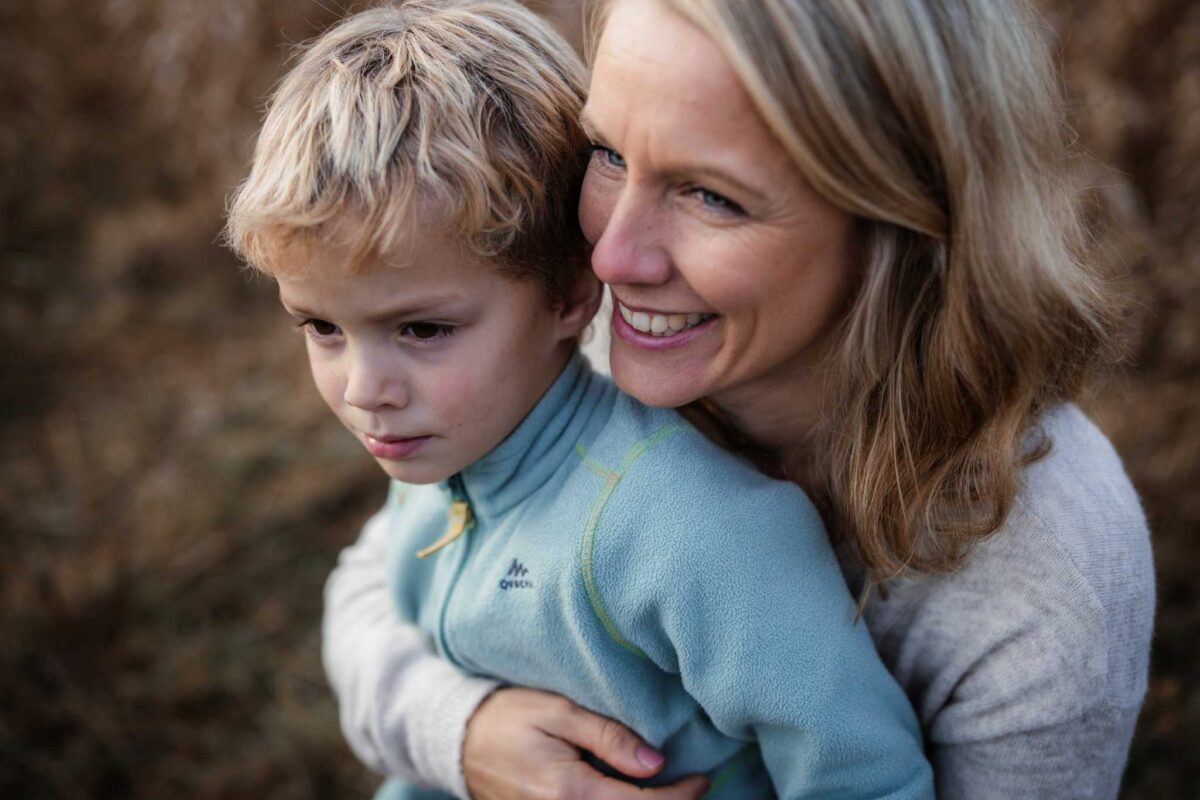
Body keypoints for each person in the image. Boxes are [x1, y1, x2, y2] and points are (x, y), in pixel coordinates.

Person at [320, 0, 1157, 798]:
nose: (610, 257)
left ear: (905, 217)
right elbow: (388, 568)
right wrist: (462, 734)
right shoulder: (611, 329)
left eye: (711, 195)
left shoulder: (1048, 588)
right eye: (608, 153)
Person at [225, 1, 935, 798]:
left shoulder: (692, 532)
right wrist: (460, 734)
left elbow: (865, 777)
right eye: (321, 326)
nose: (362, 390)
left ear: (570, 294)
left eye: (421, 330)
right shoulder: (458, 448)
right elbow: (369, 593)